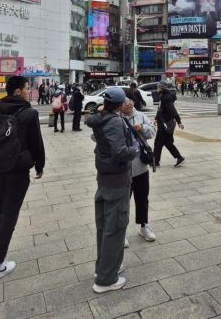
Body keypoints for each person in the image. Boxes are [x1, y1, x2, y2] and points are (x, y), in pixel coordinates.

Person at [0, 76, 45, 281]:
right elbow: (37, 143)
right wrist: (40, 166)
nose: (29, 91)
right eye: (27, 88)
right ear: (17, 91)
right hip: (17, 169)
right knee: (9, 213)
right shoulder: (29, 114)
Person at [86, 87, 136, 293]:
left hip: (104, 179)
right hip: (117, 179)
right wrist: (135, 150)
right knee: (115, 228)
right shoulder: (115, 121)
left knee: (105, 227)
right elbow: (120, 152)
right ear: (118, 104)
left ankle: (104, 268)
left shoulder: (99, 117)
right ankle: (106, 280)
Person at [121, 98, 156, 245]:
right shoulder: (116, 119)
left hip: (140, 166)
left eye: (130, 100)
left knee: (142, 198)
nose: (128, 103)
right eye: (124, 101)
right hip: (122, 169)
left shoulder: (141, 116)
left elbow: (152, 132)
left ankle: (144, 226)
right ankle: (121, 232)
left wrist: (142, 128)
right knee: (123, 201)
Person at [154, 81, 185, 167]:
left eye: (158, 87)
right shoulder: (162, 97)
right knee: (167, 143)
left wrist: (179, 122)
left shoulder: (166, 98)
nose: (157, 88)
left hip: (165, 124)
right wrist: (156, 118)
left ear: (161, 88)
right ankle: (179, 158)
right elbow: (160, 109)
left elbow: (173, 111)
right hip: (164, 123)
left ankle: (155, 161)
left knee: (158, 142)